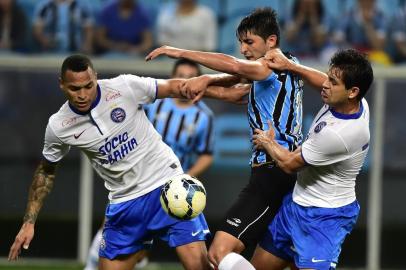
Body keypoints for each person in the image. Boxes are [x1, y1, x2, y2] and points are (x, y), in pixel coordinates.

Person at [7, 54, 249, 270]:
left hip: (167, 186)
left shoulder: (123, 87)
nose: (82, 94)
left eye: (88, 86)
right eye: (74, 88)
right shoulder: (59, 126)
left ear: (96, 78)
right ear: (62, 85)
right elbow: (46, 172)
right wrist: (29, 222)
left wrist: (227, 86)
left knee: (198, 265)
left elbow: (178, 87)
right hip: (124, 202)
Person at [146, 7, 303, 269]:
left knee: (219, 253)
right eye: (241, 42)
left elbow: (233, 66)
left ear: (271, 41)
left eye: (249, 42)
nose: (243, 48)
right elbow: (235, 84)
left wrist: (180, 52)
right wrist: (203, 83)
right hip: (282, 174)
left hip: (272, 173)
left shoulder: (270, 69)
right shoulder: (287, 66)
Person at [84, 58, 215, 270]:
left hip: (176, 186)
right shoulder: (156, 105)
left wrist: (187, 177)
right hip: (138, 184)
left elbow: (207, 154)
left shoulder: (204, 116)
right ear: (174, 77)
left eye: (190, 76)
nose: (184, 81)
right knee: (114, 238)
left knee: (196, 260)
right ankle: (97, 261)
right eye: (180, 75)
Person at [250, 48, 373, 269]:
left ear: (352, 91)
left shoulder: (339, 134)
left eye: (333, 82)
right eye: (328, 77)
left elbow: (288, 164)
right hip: (296, 204)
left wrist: (268, 142)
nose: (325, 85)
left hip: (325, 218)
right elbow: (320, 82)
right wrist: (291, 65)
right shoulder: (356, 103)